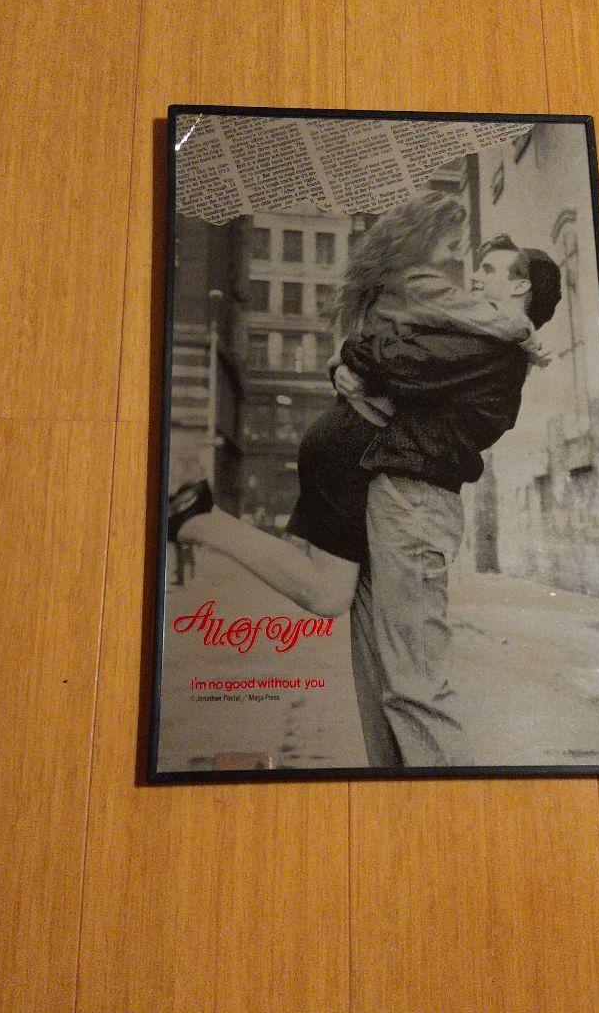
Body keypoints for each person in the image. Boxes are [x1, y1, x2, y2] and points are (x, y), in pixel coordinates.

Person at [169, 194, 560, 765]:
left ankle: (201, 522)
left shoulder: (491, 345)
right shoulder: (478, 334)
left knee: (386, 664)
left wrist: (349, 360)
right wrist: (348, 363)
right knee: (406, 680)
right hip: (392, 487)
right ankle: (428, 797)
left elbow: (393, 360)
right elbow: (392, 357)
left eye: (490, 270)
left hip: (403, 494)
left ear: (521, 288)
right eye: (471, 262)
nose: (472, 277)